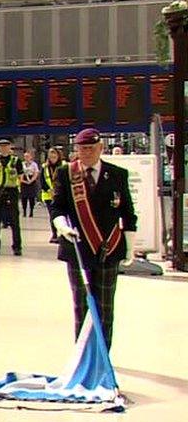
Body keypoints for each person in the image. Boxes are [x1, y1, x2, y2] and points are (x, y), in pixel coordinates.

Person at [49, 128, 137, 351]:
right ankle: (83, 358)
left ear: (101, 148)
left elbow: (127, 213)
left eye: (90, 148)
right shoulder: (65, 173)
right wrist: (61, 225)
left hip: (108, 250)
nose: (86, 153)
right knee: (82, 306)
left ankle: (102, 356)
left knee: (105, 308)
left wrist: (130, 246)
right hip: (78, 249)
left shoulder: (117, 174)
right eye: (81, 148)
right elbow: (57, 206)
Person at [0, 138, 24, 256]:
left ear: (10, 146)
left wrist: (15, 186)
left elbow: (20, 176)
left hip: (11, 192)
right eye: (1, 146)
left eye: (6, 145)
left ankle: (17, 247)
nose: (3, 148)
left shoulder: (16, 161)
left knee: (14, 221)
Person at [40, 147, 64, 243]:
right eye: (50, 155)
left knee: (61, 215)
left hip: (61, 195)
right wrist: (49, 190)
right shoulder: (44, 167)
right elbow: (42, 181)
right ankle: (54, 234)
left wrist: (58, 191)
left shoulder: (64, 166)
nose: (52, 157)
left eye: (54, 154)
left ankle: (61, 234)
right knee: (53, 215)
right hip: (49, 195)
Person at [20, 150, 40, 218]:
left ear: (31, 157)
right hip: (24, 180)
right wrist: (23, 180)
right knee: (24, 197)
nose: (26, 158)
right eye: (25, 156)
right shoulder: (22, 164)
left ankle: (31, 211)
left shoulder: (34, 164)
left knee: (31, 197)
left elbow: (36, 173)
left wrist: (31, 180)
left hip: (32, 181)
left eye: (28, 156)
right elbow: (20, 173)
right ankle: (24, 211)